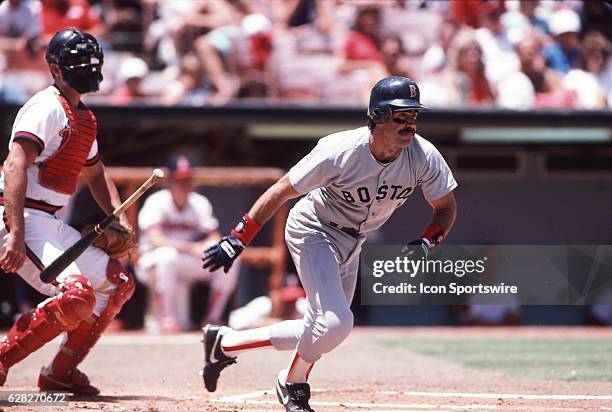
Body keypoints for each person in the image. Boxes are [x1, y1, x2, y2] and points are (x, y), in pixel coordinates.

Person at [201, 76, 458, 412]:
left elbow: (446, 207)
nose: (410, 124)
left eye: (414, 116)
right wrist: (238, 238)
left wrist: (427, 241)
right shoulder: (340, 151)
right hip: (314, 228)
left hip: (354, 240)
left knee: (324, 328)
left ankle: (225, 344)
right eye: (401, 116)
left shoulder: (423, 156)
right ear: (378, 116)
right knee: (336, 323)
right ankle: (292, 383)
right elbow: (281, 190)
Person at [0, 28, 135, 395]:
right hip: (19, 218)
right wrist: (15, 233)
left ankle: (59, 373)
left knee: (117, 283)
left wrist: (116, 218)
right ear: (55, 69)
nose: (87, 68)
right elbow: (14, 166)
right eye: (79, 63)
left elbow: (95, 172)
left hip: (48, 221)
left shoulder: (85, 119)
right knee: (77, 296)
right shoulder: (46, 107)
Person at [136, 155, 239, 332]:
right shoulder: (157, 201)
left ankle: (213, 317)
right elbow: (156, 240)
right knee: (166, 256)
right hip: (150, 262)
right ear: (169, 182)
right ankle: (167, 319)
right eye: (180, 180)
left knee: (230, 258)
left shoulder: (199, 203)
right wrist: (192, 248)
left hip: (183, 259)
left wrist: (209, 248)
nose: (185, 185)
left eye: (188, 180)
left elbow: (213, 235)